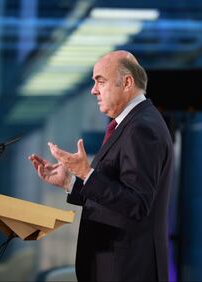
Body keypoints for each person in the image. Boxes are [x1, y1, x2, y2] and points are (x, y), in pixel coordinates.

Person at [28, 50, 174, 281]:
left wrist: (87, 172)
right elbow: (113, 196)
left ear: (127, 82)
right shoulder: (130, 124)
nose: (93, 90)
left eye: (100, 81)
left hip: (127, 270)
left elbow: (137, 203)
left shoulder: (141, 128)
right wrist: (71, 181)